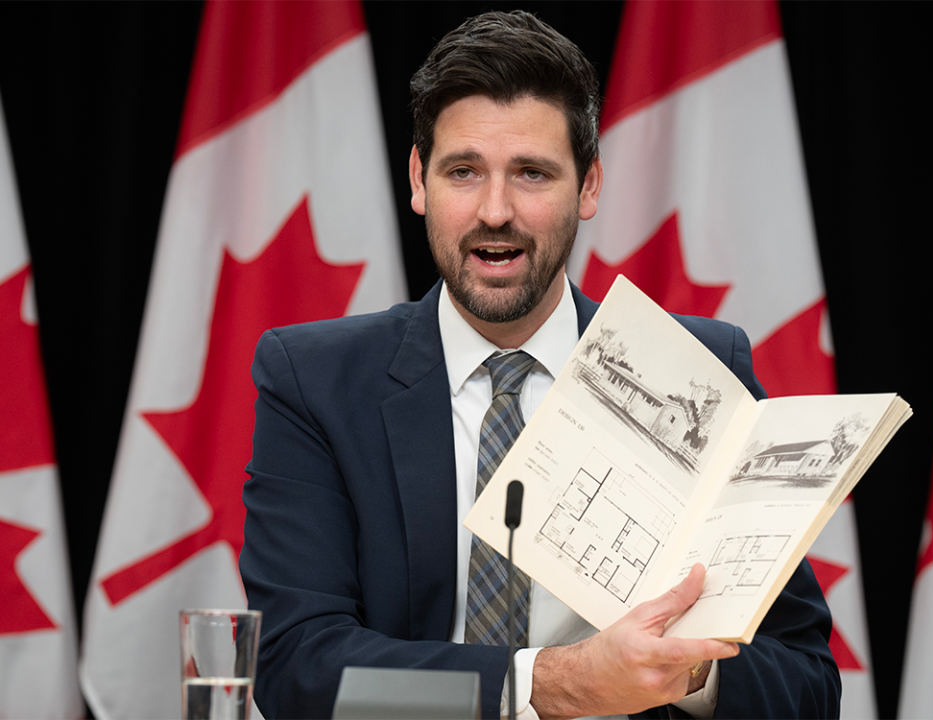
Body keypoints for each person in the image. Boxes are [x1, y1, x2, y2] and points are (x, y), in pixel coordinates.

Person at [239, 11, 839, 720]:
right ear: (418, 180)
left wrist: (674, 672)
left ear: (588, 187)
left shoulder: (697, 374)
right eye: (464, 171)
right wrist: (553, 683)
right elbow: (297, 665)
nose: (496, 211)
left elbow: (804, 682)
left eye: (532, 173)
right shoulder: (313, 381)